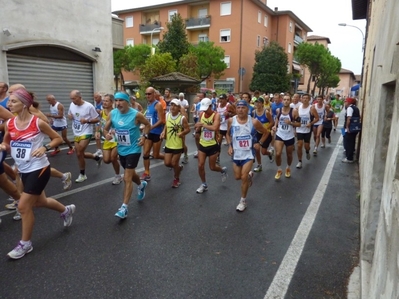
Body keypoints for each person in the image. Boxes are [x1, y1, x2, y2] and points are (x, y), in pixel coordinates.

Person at [2, 88, 75, 259]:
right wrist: (3, 147)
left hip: (39, 168)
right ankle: (66, 210)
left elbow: (56, 138)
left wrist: (45, 147)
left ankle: (25, 244)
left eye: (13, 101)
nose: (9, 104)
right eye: (9, 101)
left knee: (23, 206)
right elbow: (6, 142)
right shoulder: (9, 124)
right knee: (40, 202)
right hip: (23, 168)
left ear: (25, 104)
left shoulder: (37, 123)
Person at [103, 92, 150, 219]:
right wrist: (106, 134)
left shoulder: (136, 114)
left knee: (126, 177)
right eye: (116, 101)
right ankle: (141, 185)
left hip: (134, 149)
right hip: (121, 149)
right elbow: (105, 129)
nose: (118, 103)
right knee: (131, 173)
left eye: (120, 101)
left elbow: (147, 125)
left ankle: (124, 207)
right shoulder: (113, 114)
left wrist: (144, 137)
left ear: (127, 101)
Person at [226, 100, 268, 211]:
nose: (240, 110)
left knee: (243, 177)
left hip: (249, 153)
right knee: (237, 177)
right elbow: (227, 134)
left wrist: (260, 143)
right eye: (238, 107)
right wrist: (230, 146)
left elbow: (266, 132)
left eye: (243, 107)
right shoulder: (231, 120)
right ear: (236, 109)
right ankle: (250, 176)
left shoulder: (254, 122)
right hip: (236, 154)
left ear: (247, 109)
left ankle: (243, 201)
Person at [195, 98, 228, 193]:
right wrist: (197, 129)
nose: (205, 110)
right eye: (204, 108)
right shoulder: (201, 114)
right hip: (203, 143)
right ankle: (204, 184)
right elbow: (198, 125)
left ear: (210, 106)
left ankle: (222, 170)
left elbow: (215, 127)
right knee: (200, 165)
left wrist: (203, 125)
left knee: (212, 167)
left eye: (206, 108)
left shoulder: (216, 115)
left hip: (213, 144)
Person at [68, 90, 101, 183]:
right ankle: (96, 157)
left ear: (79, 97)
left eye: (74, 98)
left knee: (79, 153)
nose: (72, 100)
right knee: (80, 154)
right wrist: (70, 116)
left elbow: (97, 119)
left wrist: (87, 121)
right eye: (71, 98)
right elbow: (70, 114)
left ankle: (82, 174)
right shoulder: (72, 105)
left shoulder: (89, 106)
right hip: (76, 132)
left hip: (86, 131)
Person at [160, 99, 190, 188]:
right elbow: (166, 125)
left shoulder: (182, 118)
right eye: (171, 105)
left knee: (173, 163)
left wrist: (182, 133)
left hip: (178, 145)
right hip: (168, 143)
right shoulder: (167, 115)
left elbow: (188, 129)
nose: (172, 107)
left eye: (175, 105)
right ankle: (179, 168)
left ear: (178, 108)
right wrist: (163, 132)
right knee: (167, 163)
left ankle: (176, 179)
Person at [95, 94, 122, 185]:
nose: (104, 102)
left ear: (112, 102)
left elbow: (121, 123)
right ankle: (122, 156)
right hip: (107, 139)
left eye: (106, 101)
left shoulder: (116, 112)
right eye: (103, 100)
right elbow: (99, 123)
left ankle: (118, 176)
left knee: (113, 158)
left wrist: (116, 131)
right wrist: (97, 131)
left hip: (116, 139)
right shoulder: (102, 112)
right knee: (106, 160)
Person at [272, 95, 300, 179]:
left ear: (290, 101)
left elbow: (299, 124)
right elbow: (277, 119)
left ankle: (288, 168)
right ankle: (279, 169)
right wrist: (275, 126)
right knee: (278, 154)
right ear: (282, 101)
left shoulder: (294, 111)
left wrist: (291, 123)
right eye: (284, 99)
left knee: (289, 154)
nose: (286, 101)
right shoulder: (279, 110)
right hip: (280, 134)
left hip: (289, 135)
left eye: (288, 99)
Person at [141, 87, 165, 181]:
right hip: (148, 133)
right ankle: (146, 173)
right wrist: (144, 125)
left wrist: (151, 127)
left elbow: (161, 120)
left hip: (157, 133)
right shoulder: (148, 104)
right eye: (146, 94)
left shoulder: (157, 105)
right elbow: (149, 118)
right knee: (146, 153)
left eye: (149, 94)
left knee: (156, 155)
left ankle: (170, 160)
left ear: (154, 94)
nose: (147, 96)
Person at [295, 94, 319, 169]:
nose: (305, 99)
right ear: (301, 99)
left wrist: (311, 123)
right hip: (299, 129)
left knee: (306, 146)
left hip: (307, 130)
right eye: (303, 98)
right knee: (299, 145)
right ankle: (299, 161)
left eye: (306, 98)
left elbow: (317, 118)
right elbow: (295, 118)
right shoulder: (298, 108)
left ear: (309, 99)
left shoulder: (311, 108)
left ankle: (307, 151)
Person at [252, 97, 274, 172]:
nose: (257, 104)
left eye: (259, 103)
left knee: (263, 152)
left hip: (266, 133)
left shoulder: (266, 112)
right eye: (256, 103)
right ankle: (259, 165)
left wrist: (265, 127)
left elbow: (272, 122)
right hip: (257, 133)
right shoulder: (254, 112)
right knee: (257, 149)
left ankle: (270, 153)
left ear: (262, 104)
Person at [342, 98, 360, 163]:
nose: (345, 103)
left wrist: (347, 127)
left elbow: (349, 118)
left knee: (348, 143)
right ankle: (350, 156)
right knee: (352, 142)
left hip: (350, 128)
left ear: (349, 102)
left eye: (346, 101)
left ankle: (349, 158)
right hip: (355, 128)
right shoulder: (356, 108)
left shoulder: (349, 108)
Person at [93, 92, 103, 156]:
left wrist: (99, 111)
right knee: (97, 136)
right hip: (98, 122)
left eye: (96, 97)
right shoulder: (96, 103)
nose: (95, 99)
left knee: (107, 137)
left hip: (103, 122)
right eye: (94, 97)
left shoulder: (103, 103)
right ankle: (99, 150)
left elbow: (103, 113)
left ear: (100, 97)